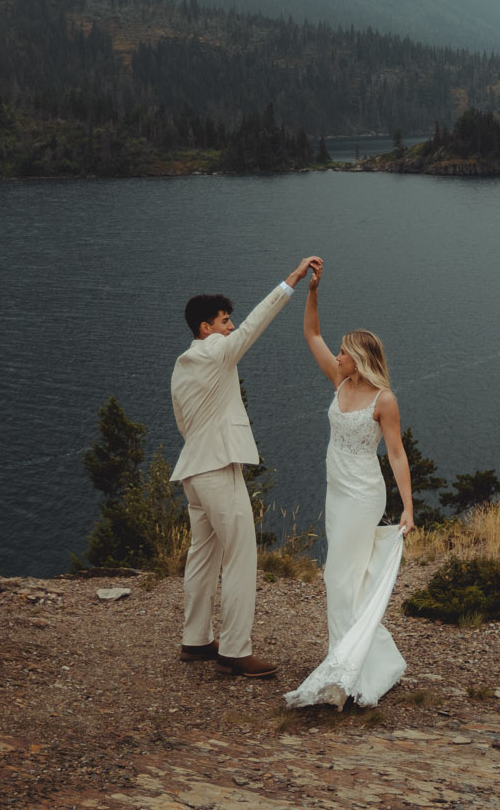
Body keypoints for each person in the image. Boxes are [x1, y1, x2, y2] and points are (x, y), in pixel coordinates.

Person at [170, 256, 321, 678]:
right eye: (224, 321)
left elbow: (184, 423)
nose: (231, 326)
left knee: (203, 555)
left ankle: (195, 639)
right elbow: (255, 325)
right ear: (206, 329)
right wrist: (290, 282)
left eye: (229, 321)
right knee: (240, 556)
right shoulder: (217, 351)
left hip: (193, 472)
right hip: (218, 469)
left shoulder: (183, 364)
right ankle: (235, 649)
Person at [284, 258, 411, 708]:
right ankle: (357, 660)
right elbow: (311, 335)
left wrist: (409, 509)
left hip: (363, 494)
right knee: (344, 579)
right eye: (338, 352)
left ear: (359, 358)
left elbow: (396, 453)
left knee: (338, 576)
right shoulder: (339, 381)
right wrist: (313, 289)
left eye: (343, 351)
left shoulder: (384, 399)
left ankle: (343, 672)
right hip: (336, 491)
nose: (335, 355)